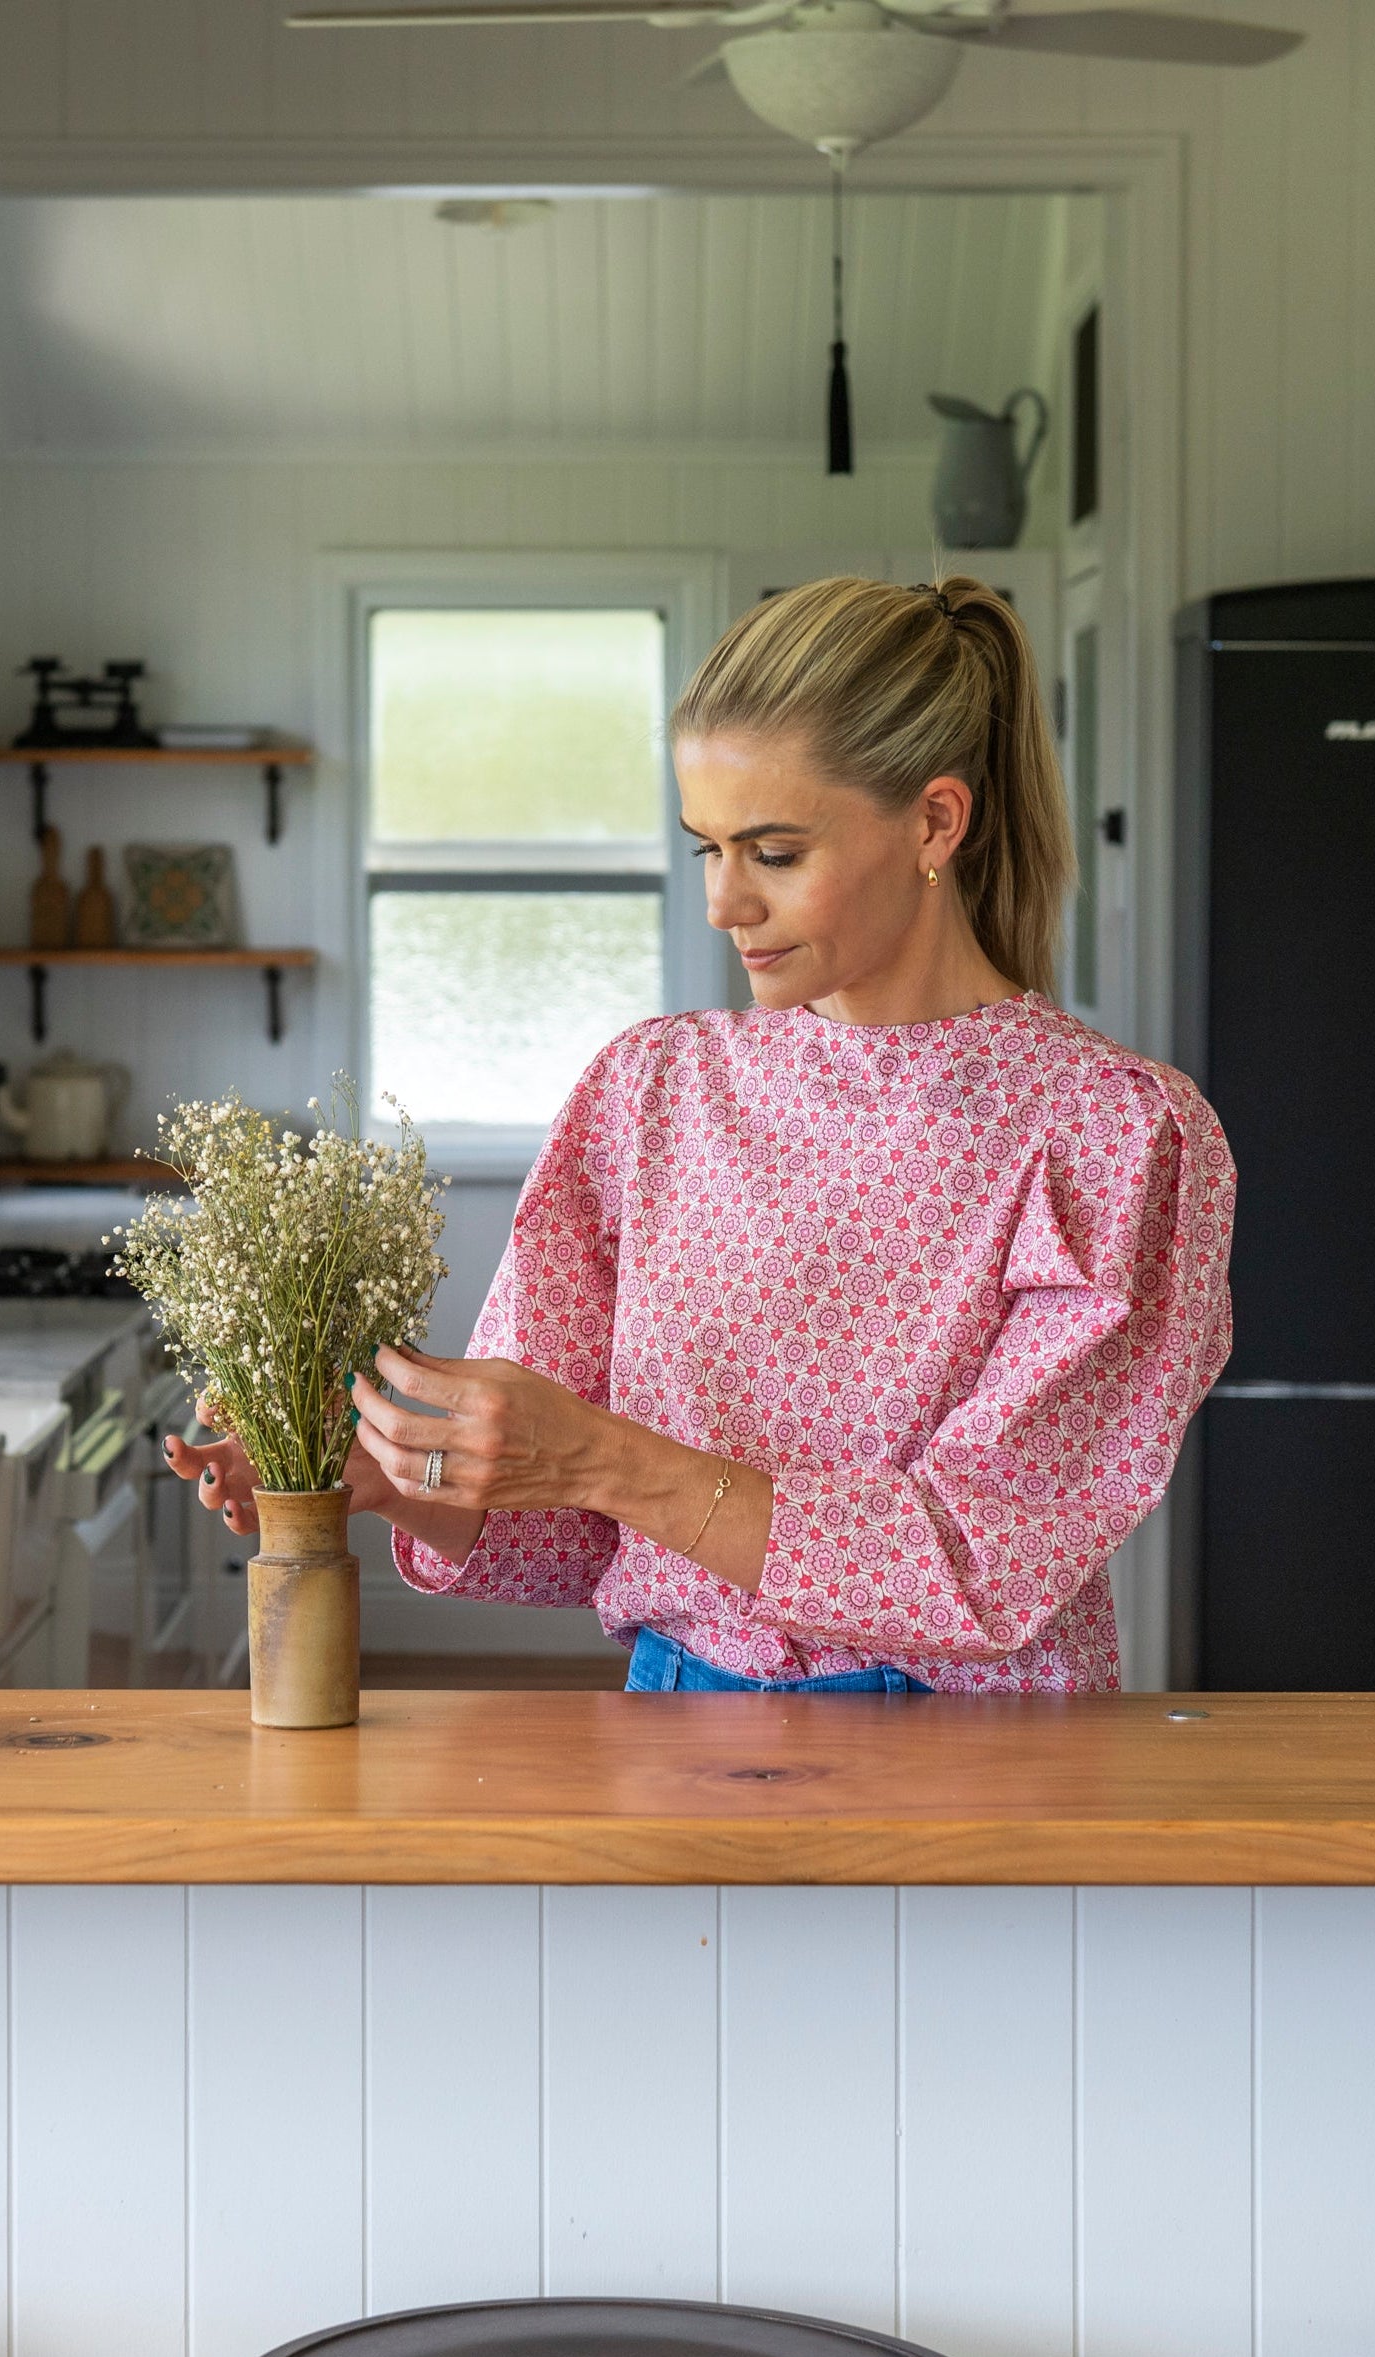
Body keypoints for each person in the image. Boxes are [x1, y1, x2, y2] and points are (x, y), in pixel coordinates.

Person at [166, 573, 1233, 1692]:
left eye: (774, 853)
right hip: (678, 1726)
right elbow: (583, 1531)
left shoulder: (1112, 1139)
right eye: (705, 849)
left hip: (977, 1767)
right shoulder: (650, 1092)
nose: (725, 904)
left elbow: (974, 1568)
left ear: (935, 819)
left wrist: (604, 1455)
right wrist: (394, 1475)